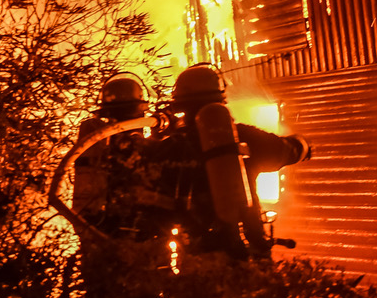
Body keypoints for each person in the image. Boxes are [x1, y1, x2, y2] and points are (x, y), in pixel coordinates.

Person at [71, 65, 310, 265]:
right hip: (243, 252)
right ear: (220, 98)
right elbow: (288, 151)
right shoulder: (242, 137)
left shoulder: (164, 148)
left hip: (191, 257)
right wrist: (302, 144)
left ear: (179, 105)